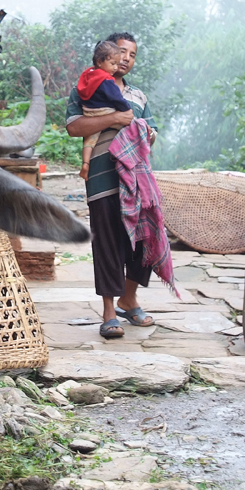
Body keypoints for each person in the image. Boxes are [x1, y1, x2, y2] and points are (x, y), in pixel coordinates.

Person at [65, 32, 158, 340]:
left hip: (136, 180)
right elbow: (74, 127)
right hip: (102, 180)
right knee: (106, 243)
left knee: (146, 239)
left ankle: (128, 298)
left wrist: (142, 131)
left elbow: (152, 131)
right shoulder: (86, 89)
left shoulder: (139, 97)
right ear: (106, 56)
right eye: (121, 52)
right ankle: (108, 312)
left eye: (132, 54)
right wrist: (114, 119)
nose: (126, 58)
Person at [76, 40, 131, 180]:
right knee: (130, 127)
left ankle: (85, 164)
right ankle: (124, 157)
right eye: (112, 64)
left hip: (88, 112)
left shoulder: (89, 74)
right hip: (103, 112)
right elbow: (117, 98)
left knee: (89, 141)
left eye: (117, 64)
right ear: (100, 62)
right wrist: (126, 111)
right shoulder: (106, 79)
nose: (115, 68)